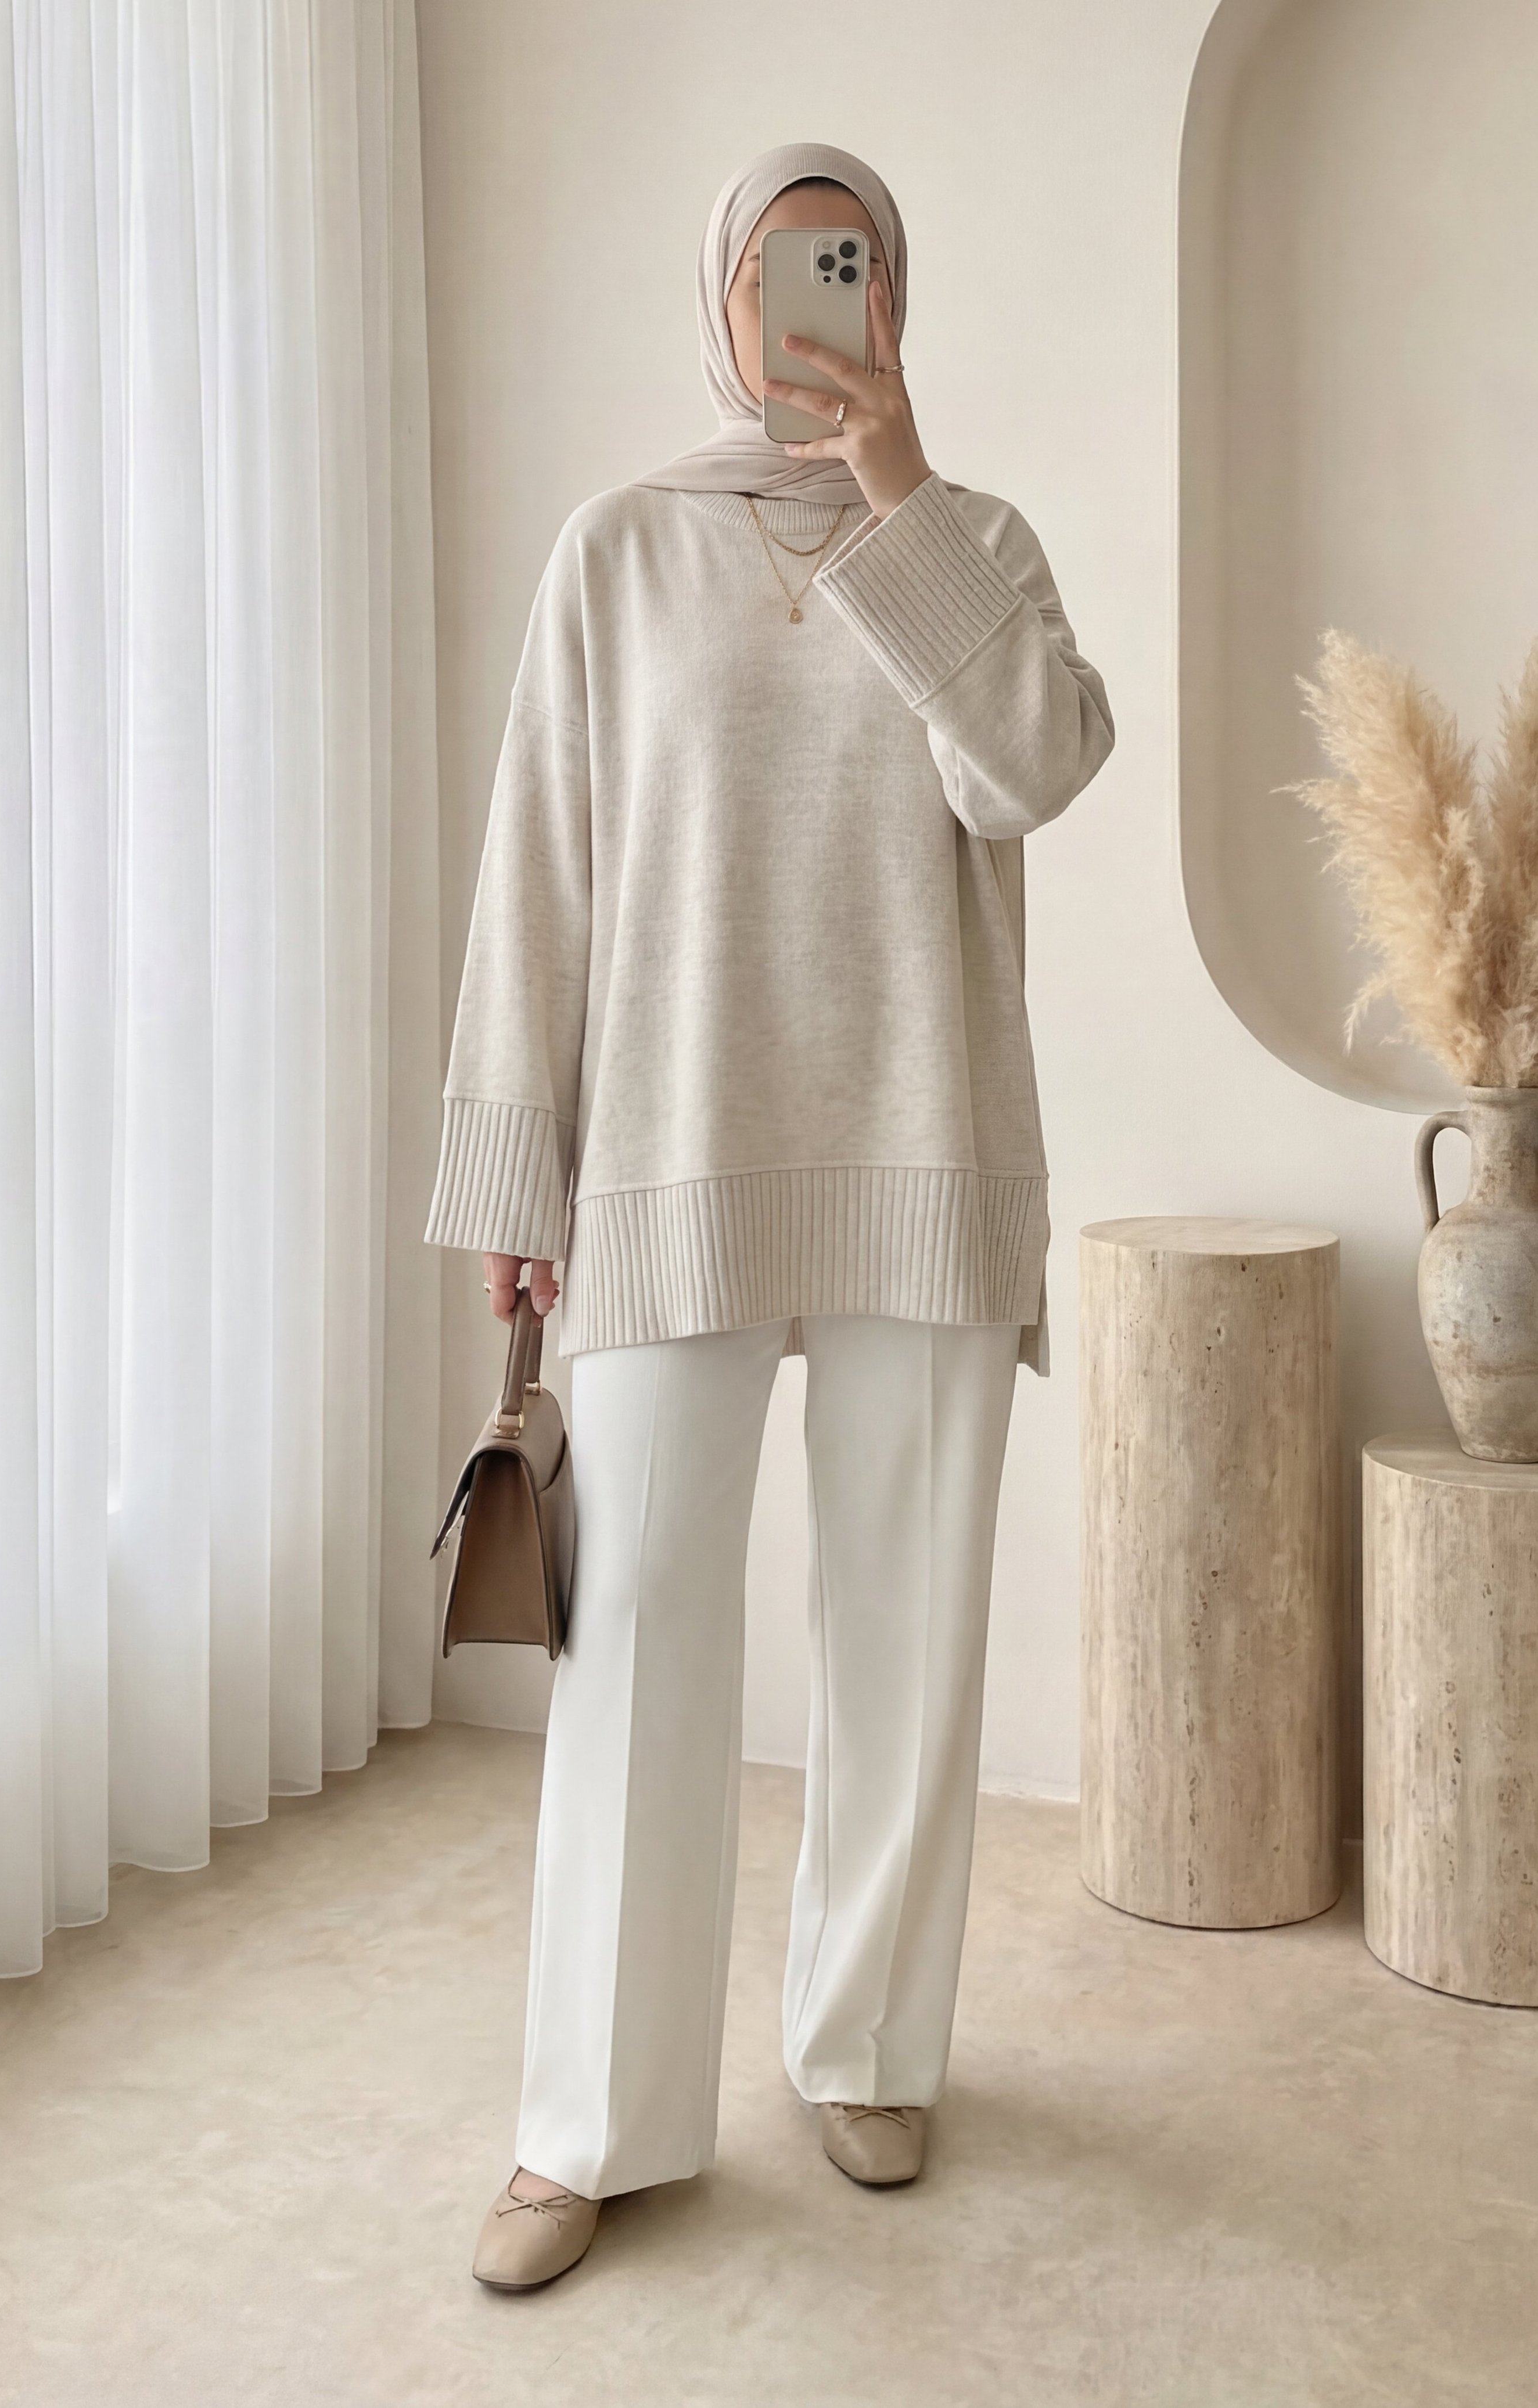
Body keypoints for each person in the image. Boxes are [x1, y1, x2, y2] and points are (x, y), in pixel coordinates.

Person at [426, 141, 1114, 2291]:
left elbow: (1030, 768)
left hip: (923, 1141)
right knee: (635, 1637)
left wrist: (897, 484)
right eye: (784, 261)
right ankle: (590, 2122)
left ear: (893, 296)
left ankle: (870, 2041)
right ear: (719, 294)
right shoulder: (617, 549)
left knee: (905, 1623)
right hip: (673, 1144)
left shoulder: (975, 543)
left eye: (855, 259)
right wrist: (514, 1167)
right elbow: (541, 869)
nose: (820, 295)